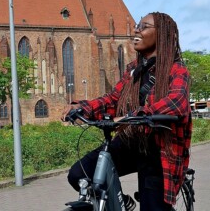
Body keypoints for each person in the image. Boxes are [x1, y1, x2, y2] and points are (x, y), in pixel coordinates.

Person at [61, 12, 191, 211]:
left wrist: (134, 116)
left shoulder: (176, 70)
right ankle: (122, 204)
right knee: (80, 174)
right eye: (138, 24)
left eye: (144, 26)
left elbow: (176, 103)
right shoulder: (134, 69)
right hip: (131, 140)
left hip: (159, 148)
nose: (136, 29)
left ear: (162, 35)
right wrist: (83, 107)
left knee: (153, 206)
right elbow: (113, 99)